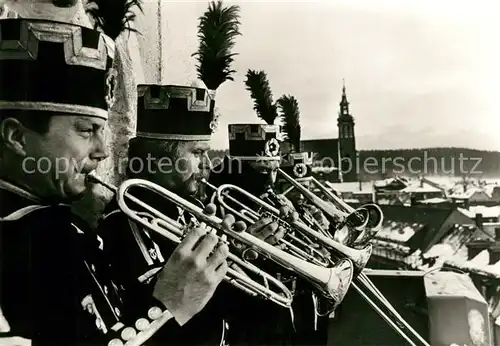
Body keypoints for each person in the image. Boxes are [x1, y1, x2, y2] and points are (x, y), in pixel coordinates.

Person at [0, 8, 233, 346]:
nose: (102, 151)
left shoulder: (59, 227)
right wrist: (168, 306)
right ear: (17, 138)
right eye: (85, 131)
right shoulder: (23, 239)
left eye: (102, 132)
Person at [98, 83, 292, 346]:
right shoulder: (130, 216)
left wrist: (240, 255)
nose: (207, 165)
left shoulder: (191, 209)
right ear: (159, 159)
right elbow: (177, 311)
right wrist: (239, 265)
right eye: (198, 153)